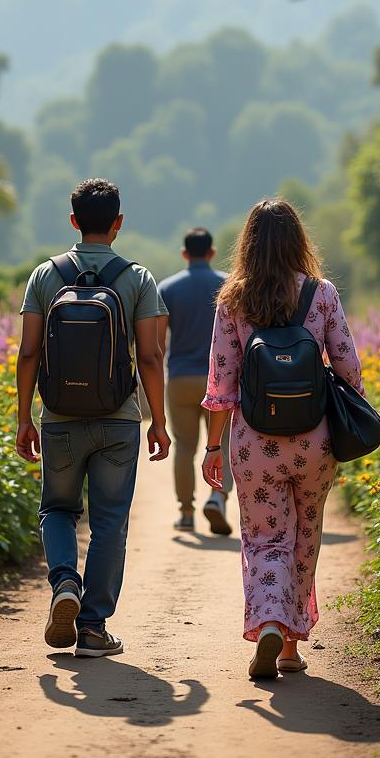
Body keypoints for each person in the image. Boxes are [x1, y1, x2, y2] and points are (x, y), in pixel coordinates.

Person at [199, 199, 363, 680]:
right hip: (315, 440)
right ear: (299, 241)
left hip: (254, 443)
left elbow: (221, 383)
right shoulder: (322, 293)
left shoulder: (233, 299)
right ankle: (290, 648)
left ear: (248, 243)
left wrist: (212, 449)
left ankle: (269, 619)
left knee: (264, 537)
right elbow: (348, 366)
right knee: (305, 535)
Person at [15, 178, 171, 659]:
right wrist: (158, 421)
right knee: (110, 522)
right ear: (118, 223)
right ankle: (93, 627)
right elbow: (149, 356)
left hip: (58, 416)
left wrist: (25, 417)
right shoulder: (138, 279)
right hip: (117, 419)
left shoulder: (45, 276)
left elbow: (28, 352)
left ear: (73, 221)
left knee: (58, 510)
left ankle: (65, 582)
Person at [157, 228, 233, 534]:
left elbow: (159, 343)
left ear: (184, 254)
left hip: (181, 377)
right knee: (223, 444)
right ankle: (217, 496)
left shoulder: (168, 288)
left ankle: (186, 512)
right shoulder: (228, 285)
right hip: (221, 379)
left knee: (185, 446)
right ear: (212, 252)